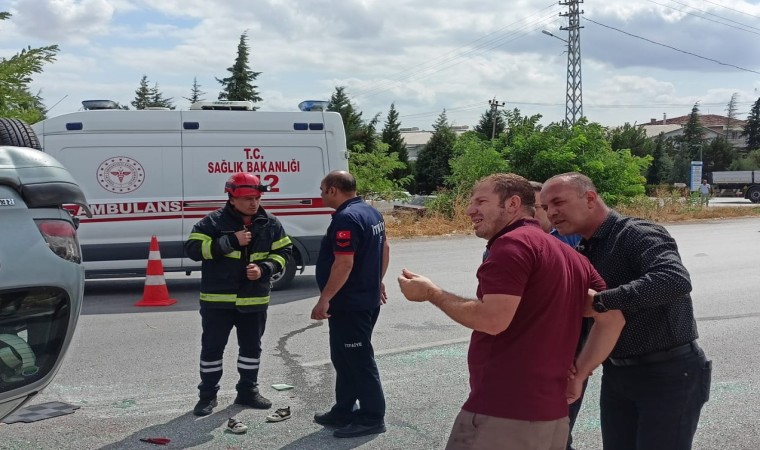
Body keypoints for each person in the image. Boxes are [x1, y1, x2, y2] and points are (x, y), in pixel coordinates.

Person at [398, 173, 625, 450]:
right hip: (552, 417)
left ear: (512, 204)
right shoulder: (573, 257)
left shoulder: (512, 245)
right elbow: (612, 318)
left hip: (503, 413)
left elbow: (493, 320)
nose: (470, 210)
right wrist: (580, 373)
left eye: (481, 201)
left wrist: (431, 293)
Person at [541, 172, 712, 450]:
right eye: (546, 207)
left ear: (590, 198)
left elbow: (673, 280)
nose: (551, 213)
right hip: (618, 375)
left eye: (558, 202)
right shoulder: (584, 249)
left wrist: (602, 301)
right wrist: (574, 366)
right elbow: (586, 319)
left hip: (668, 373)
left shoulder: (636, 233)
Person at [185, 172, 292, 416]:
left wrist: (265, 268)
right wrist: (230, 241)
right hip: (217, 302)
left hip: (254, 300)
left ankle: (247, 392)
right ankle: (207, 396)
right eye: (247, 199)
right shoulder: (213, 222)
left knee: (251, 350)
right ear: (232, 199)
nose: (253, 203)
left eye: (256, 198)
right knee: (212, 350)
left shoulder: (271, 223)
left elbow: (284, 253)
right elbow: (193, 249)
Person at [311, 171, 390, 439]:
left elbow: (344, 263)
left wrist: (324, 299)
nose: (320, 194)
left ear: (333, 190)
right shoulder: (370, 212)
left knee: (358, 360)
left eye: (322, 189)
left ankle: (372, 416)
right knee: (343, 358)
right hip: (361, 300)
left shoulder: (347, 218)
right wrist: (377, 280)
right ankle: (343, 409)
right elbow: (384, 248)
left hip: (351, 304)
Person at [531, 180, 584, 450]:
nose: (544, 213)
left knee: (557, 430)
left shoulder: (570, 238)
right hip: (526, 354)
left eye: (539, 207)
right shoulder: (502, 245)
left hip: (565, 351)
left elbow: (594, 301)